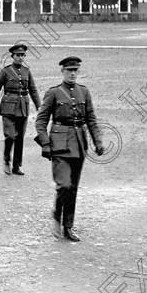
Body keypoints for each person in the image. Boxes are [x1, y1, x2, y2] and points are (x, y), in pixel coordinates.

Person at [35, 56, 104, 242]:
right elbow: (41, 121)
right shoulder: (54, 93)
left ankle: (68, 226)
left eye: (75, 70)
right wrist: (46, 144)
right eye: (69, 71)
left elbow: (91, 119)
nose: (72, 74)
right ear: (62, 72)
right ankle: (57, 216)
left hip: (79, 145)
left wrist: (98, 141)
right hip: (59, 145)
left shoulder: (84, 92)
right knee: (63, 185)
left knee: (73, 188)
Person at [0, 44, 41, 176]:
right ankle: (7, 160)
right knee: (10, 136)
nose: (20, 57)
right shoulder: (5, 71)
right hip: (8, 107)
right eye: (17, 55)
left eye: (22, 55)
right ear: (12, 56)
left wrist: (39, 106)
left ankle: (16, 165)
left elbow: (33, 90)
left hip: (23, 107)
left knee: (20, 138)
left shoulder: (26, 71)